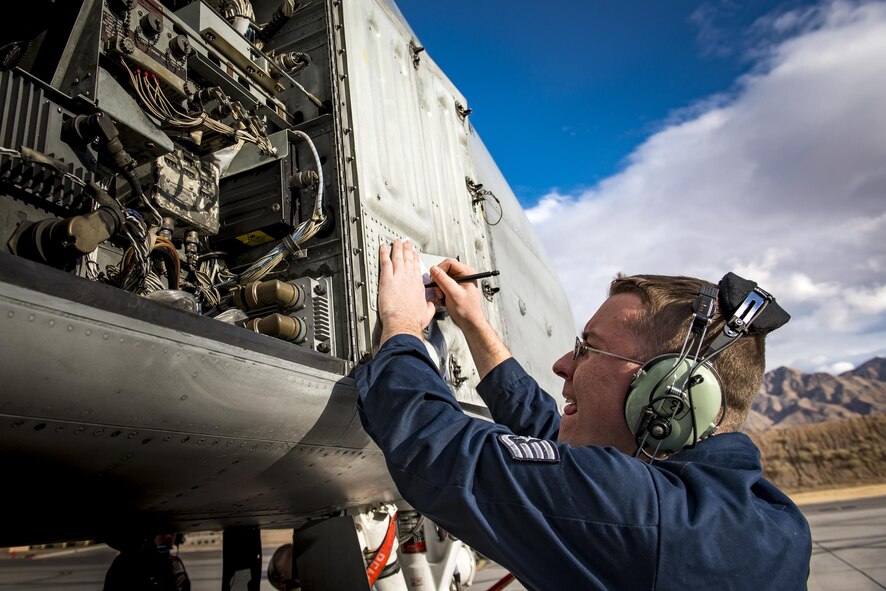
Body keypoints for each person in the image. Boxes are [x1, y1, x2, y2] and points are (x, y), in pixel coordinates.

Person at [355, 239, 811, 590]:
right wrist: (475, 322)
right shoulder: (767, 518)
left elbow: (435, 445)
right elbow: (548, 433)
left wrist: (402, 323)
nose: (562, 365)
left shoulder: (647, 518)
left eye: (588, 349)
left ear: (666, 394)